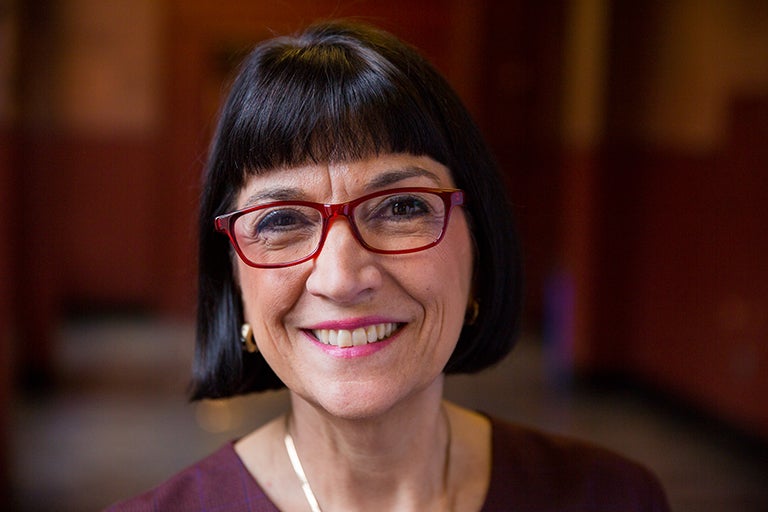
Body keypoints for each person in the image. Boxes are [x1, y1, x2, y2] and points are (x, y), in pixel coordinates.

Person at [106, 20, 669, 512]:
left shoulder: (614, 497)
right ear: (233, 277)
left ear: (479, 247)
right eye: (280, 221)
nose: (342, 278)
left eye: (402, 207)